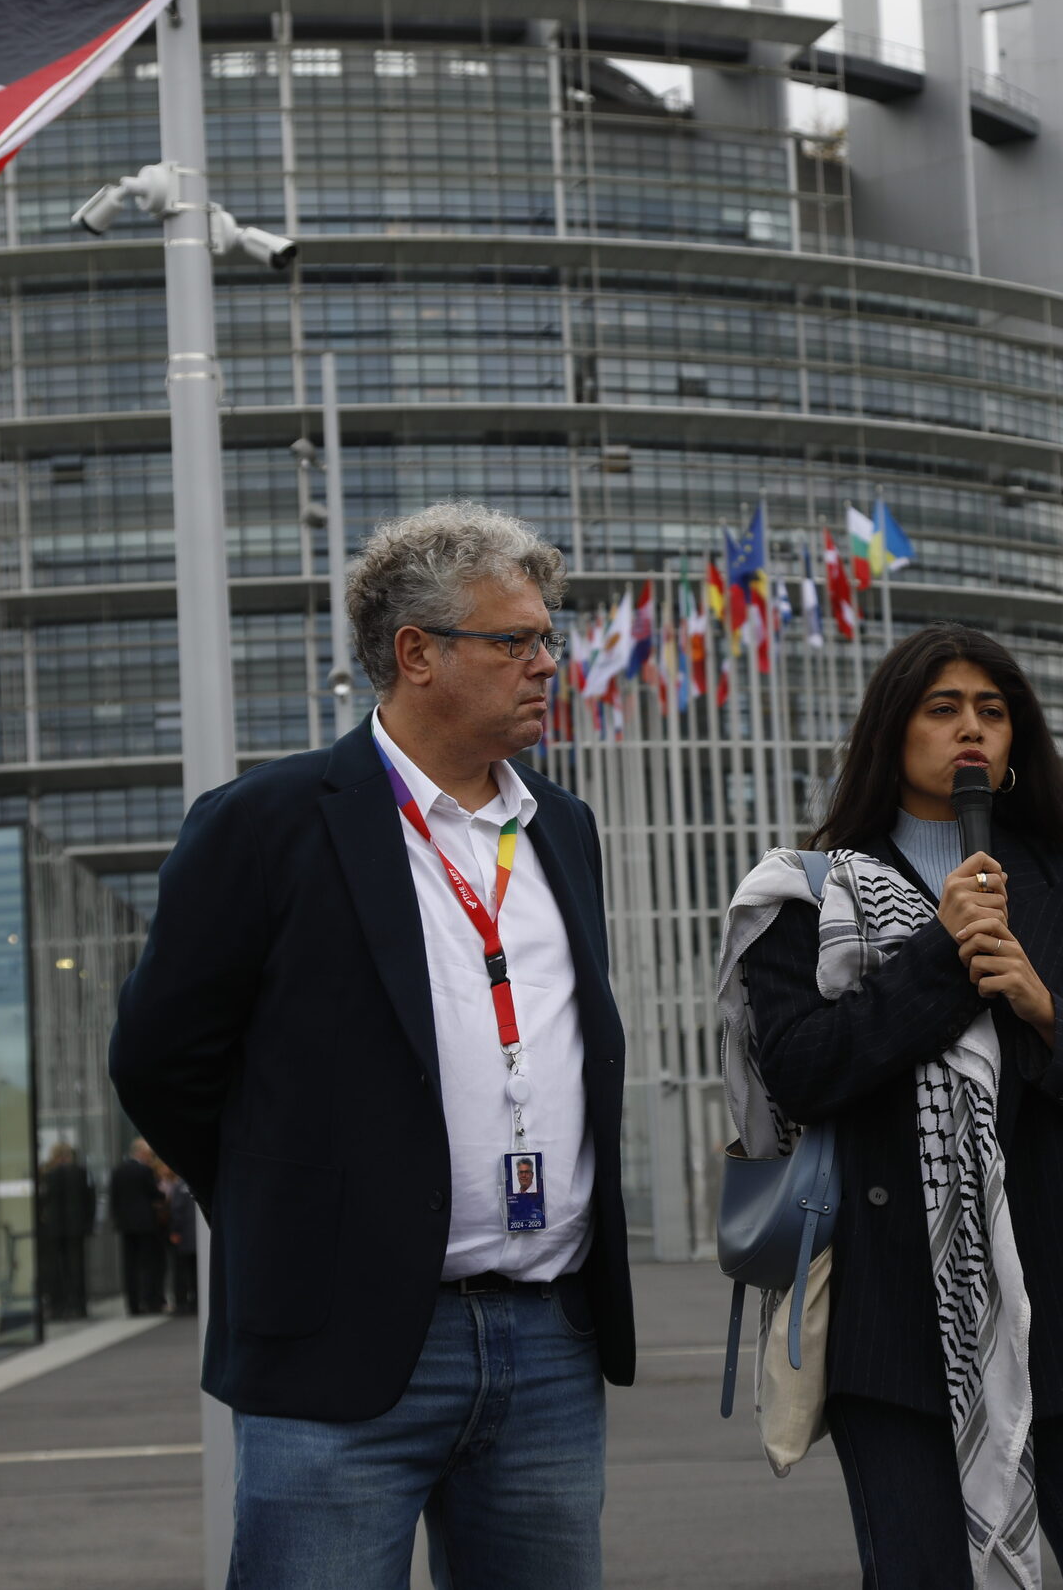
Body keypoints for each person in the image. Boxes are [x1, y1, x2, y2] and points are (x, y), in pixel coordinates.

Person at [112, 502, 633, 1590]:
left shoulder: (562, 829)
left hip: (548, 1342)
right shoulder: (268, 822)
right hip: (341, 1348)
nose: (548, 663)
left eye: (548, 639)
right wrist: (289, 1206)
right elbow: (160, 1060)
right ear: (418, 654)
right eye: (516, 641)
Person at [725, 624, 1063, 1589]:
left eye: (992, 709)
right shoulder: (808, 896)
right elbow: (802, 1073)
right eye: (942, 708)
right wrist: (942, 953)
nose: (970, 728)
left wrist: (1045, 1009)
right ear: (894, 730)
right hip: (894, 1326)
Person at [108, 1138, 169, 1315]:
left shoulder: (118, 1170)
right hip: (145, 1225)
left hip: (126, 1226)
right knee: (148, 1264)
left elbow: (114, 1197)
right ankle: (150, 1300)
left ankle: (133, 1304)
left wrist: (118, 1220)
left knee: (129, 1266)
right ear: (141, 1153)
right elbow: (155, 1194)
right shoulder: (145, 1171)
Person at [36, 1142, 96, 1321]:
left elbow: (42, 1201)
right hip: (76, 1227)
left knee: (55, 1268)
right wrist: (88, 1223)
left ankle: (58, 1306)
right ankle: (79, 1305)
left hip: (53, 1228)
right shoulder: (81, 1173)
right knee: (76, 1267)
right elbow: (90, 1200)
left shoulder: (47, 1175)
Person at [162, 1166, 199, 1316]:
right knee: (196, 1271)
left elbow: (176, 1211)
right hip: (195, 1238)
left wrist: (175, 1231)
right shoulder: (196, 1184)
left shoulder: (179, 1186)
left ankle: (183, 1301)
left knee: (183, 1271)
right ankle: (196, 1300)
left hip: (184, 1237)